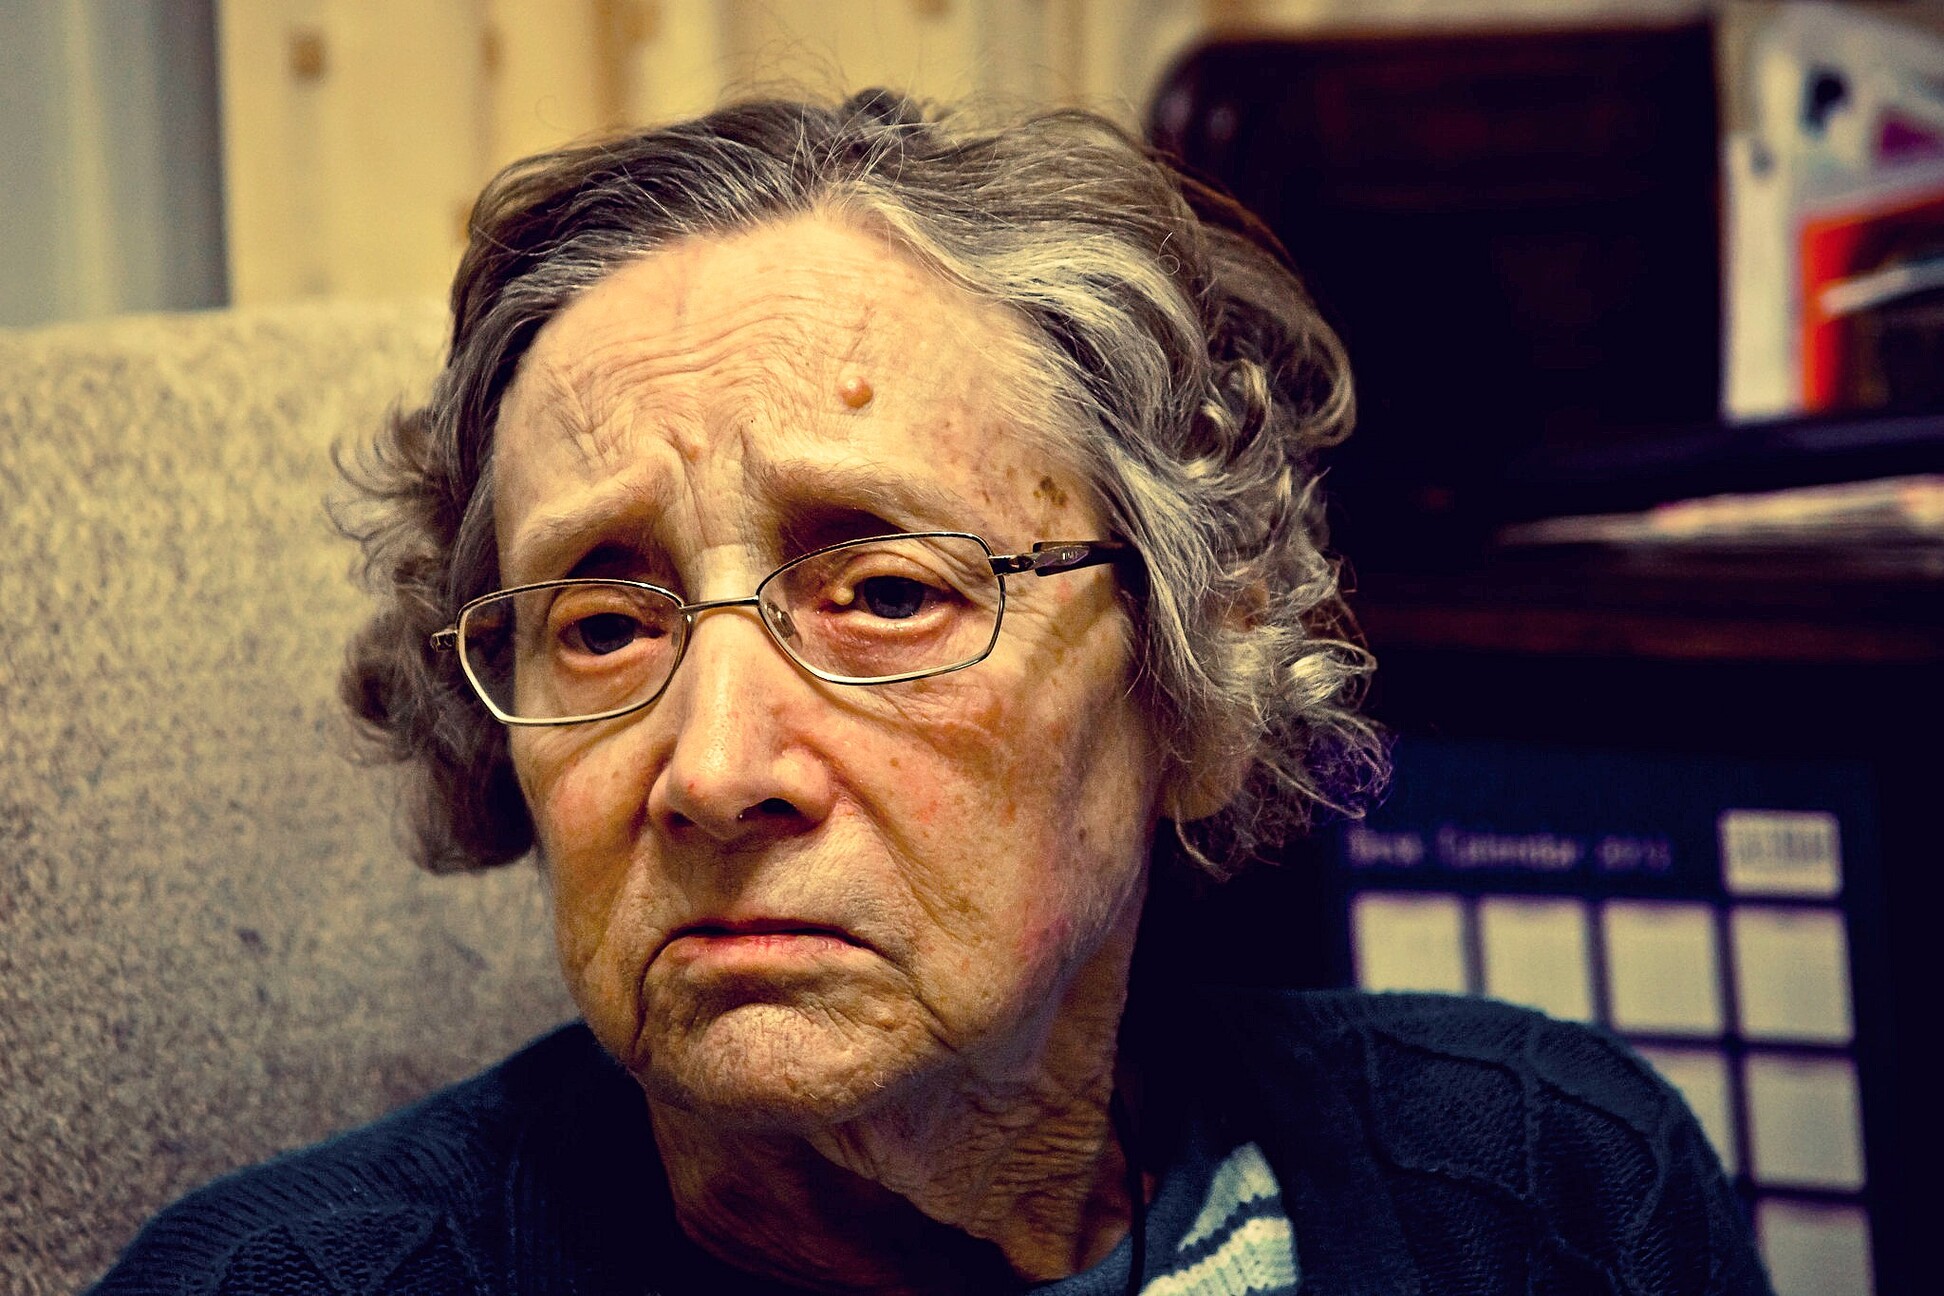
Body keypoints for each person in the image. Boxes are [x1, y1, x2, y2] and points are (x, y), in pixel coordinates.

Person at [92, 91, 1770, 1295]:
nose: (715, 766)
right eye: (602, 627)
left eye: (889, 595)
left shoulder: (1546, 1193)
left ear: (1192, 687)